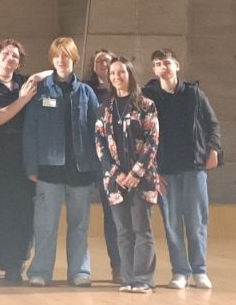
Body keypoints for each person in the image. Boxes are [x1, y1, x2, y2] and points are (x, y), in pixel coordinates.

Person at [22, 36, 101, 287]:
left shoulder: (87, 92)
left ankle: (80, 272)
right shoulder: (40, 90)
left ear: (74, 58)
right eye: (56, 56)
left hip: (81, 170)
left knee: (79, 226)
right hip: (49, 169)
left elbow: (97, 132)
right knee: (45, 225)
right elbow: (30, 130)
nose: (61, 60)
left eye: (65, 56)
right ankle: (40, 271)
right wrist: (31, 165)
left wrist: (98, 169)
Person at [143, 49, 221, 291]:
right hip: (165, 169)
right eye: (158, 64)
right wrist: (152, 170)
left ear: (177, 65)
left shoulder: (194, 94)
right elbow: (142, 135)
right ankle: (180, 271)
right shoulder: (148, 97)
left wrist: (214, 149)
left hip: (194, 166)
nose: (163, 67)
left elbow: (212, 125)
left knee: (197, 221)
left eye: (167, 63)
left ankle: (199, 270)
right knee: (172, 223)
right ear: (154, 70)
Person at [0, 39, 40, 283]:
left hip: (26, 158)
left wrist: (36, 78)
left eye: (15, 55)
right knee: (6, 213)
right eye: (6, 53)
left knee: (28, 213)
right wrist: (22, 100)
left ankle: (21, 257)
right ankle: (11, 266)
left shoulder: (25, 82)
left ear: (19, 62)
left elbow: (51, 73)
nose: (10, 57)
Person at [96, 55, 159, 293]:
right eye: (112, 73)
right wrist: (116, 174)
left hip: (142, 179)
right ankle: (128, 278)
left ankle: (143, 280)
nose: (116, 77)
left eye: (121, 72)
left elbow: (152, 142)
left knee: (142, 230)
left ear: (129, 74)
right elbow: (100, 144)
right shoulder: (105, 107)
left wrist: (136, 173)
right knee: (123, 232)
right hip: (115, 181)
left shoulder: (146, 105)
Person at [86, 48, 122, 281]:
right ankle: (114, 266)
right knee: (107, 215)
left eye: (107, 61)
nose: (103, 65)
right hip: (97, 161)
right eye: (99, 61)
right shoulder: (85, 90)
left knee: (119, 215)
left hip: (122, 162)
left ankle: (124, 265)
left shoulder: (124, 91)